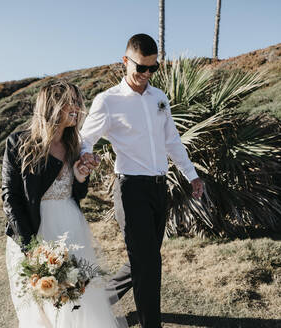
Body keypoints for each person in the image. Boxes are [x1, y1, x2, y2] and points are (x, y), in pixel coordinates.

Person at [79, 33, 204, 328]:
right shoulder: (107, 101)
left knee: (144, 258)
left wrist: (192, 175)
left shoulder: (159, 98)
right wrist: (86, 156)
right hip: (131, 189)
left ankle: (98, 299)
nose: (146, 75)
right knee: (149, 264)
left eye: (153, 69)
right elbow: (86, 138)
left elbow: (172, 140)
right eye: (141, 68)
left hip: (159, 188)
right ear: (125, 61)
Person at [2, 81, 127, 328]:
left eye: (80, 102)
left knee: (79, 299)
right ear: (52, 105)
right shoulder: (18, 143)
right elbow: (11, 199)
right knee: (42, 305)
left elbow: (76, 194)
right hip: (33, 232)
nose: (79, 108)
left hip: (71, 229)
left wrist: (80, 176)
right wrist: (31, 249)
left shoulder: (74, 145)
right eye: (73, 102)